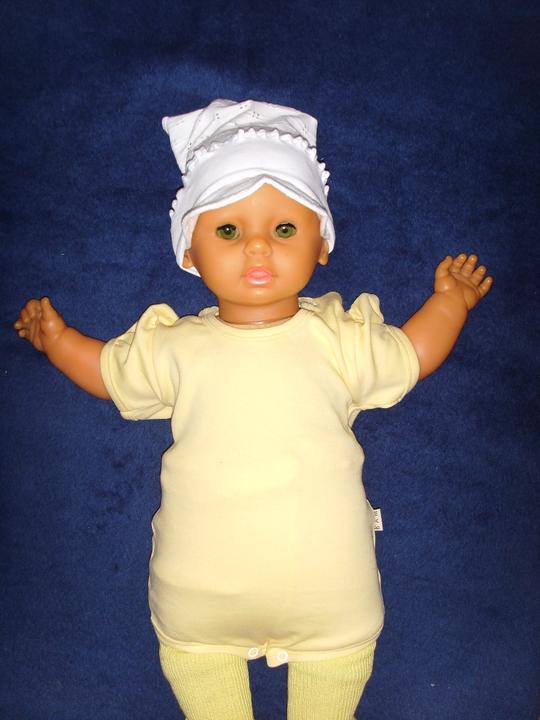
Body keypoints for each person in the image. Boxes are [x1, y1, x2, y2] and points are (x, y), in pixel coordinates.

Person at [14, 99, 492, 720]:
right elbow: (109, 372)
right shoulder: (174, 346)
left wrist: (449, 305)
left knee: (337, 670)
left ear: (322, 244)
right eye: (229, 231)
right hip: (199, 601)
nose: (258, 248)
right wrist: (59, 342)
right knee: (197, 669)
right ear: (190, 252)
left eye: (285, 229)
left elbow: (409, 355)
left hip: (330, 598)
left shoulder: (339, 338)